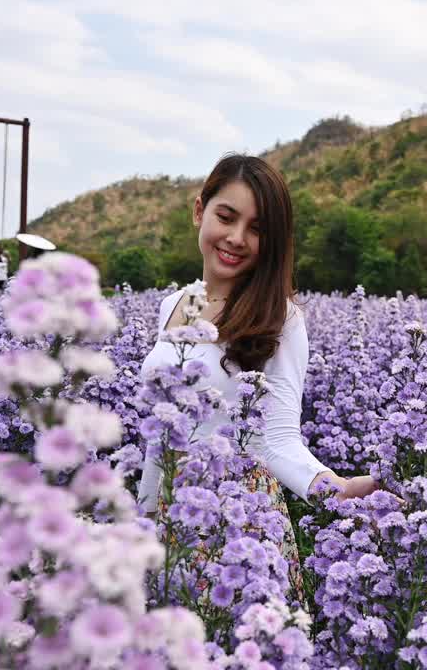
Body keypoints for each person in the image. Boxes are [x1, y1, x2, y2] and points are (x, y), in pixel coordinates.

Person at [135, 154, 378, 589]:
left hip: (240, 530)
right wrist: (144, 517)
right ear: (198, 211)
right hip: (173, 517)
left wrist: (334, 489)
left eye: (257, 229)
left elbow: (277, 439)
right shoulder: (176, 306)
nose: (236, 238)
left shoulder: (280, 318)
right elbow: (160, 433)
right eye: (225, 217)